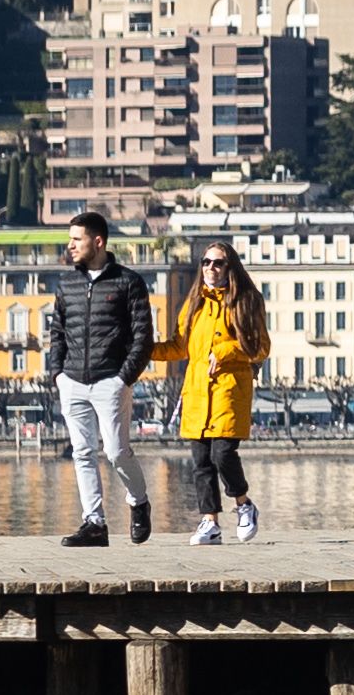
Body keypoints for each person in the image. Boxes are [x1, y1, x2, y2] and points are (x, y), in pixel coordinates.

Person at [43, 209, 158, 548]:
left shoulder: (128, 282)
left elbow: (143, 338)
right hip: (72, 380)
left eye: (76, 239)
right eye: (70, 239)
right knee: (82, 452)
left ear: (98, 241)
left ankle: (138, 501)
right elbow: (57, 331)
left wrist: (125, 378)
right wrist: (58, 374)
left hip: (111, 380)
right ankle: (94, 523)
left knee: (117, 452)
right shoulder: (67, 283)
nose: (70, 245)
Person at [152, 238, 273, 545]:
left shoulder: (247, 300)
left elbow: (260, 346)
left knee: (223, 454)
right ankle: (210, 522)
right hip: (196, 392)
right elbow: (179, 347)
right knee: (201, 461)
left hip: (229, 390)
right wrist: (144, 351)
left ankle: (244, 504)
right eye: (206, 262)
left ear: (229, 267)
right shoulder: (194, 303)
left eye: (217, 262)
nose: (210, 268)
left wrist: (225, 351)